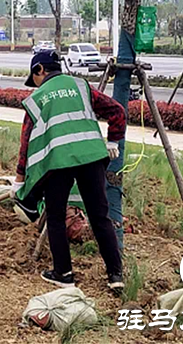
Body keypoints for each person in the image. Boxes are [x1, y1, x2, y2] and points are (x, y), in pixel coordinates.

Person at [12, 51, 126, 291]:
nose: (35, 83)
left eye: (34, 76)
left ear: (40, 70)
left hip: (58, 162)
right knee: (99, 216)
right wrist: (113, 141)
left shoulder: (38, 97)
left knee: (55, 217)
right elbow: (117, 111)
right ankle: (116, 276)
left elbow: (26, 138)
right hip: (92, 157)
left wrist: (19, 179)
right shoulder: (81, 86)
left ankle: (63, 273)